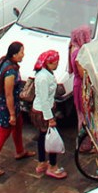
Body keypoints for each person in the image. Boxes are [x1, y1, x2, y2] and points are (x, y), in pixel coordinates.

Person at [0, 40, 28, 177]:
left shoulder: (5, 61)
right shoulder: (10, 73)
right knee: (3, 133)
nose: (23, 55)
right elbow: (8, 94)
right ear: (14, 55)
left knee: (18, 125)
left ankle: (20, 150)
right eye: (21, 52)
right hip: (7, 106)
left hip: (12, 104)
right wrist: (12, 115)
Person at [31, 48, 68, 181]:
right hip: (43, 112)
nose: (57, 65)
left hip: (43, 110)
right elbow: (44, 100)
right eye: (54, 63)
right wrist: (50, 118)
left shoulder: (46, 73)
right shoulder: (43, 78)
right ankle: (52, 165)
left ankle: (42, 162)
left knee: (42, 136)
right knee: (51, 138)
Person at [68, 25, 93, 124]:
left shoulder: (72, 47)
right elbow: (83, 75)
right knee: (85, 115)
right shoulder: (79, 53)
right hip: (81, 86)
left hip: (77, 83)